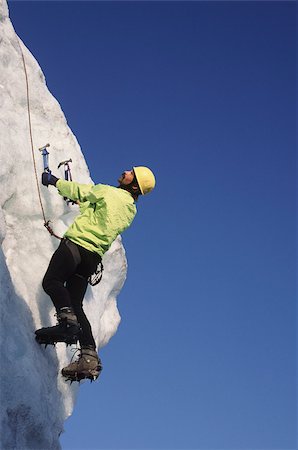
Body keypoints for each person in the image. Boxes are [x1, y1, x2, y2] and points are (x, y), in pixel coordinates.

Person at [35, 166, 156, 382]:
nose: (125, 171)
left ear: (134, 184)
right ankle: (89, 354)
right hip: (92, 259)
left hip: (77, 245)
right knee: (76, 303)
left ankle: (67, 324)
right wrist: (89, 207)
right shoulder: (130, 210)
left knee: (51, 281)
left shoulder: (109, 192)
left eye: (131, 173)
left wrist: (53, 181)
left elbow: (80, 190)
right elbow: (102, 216)